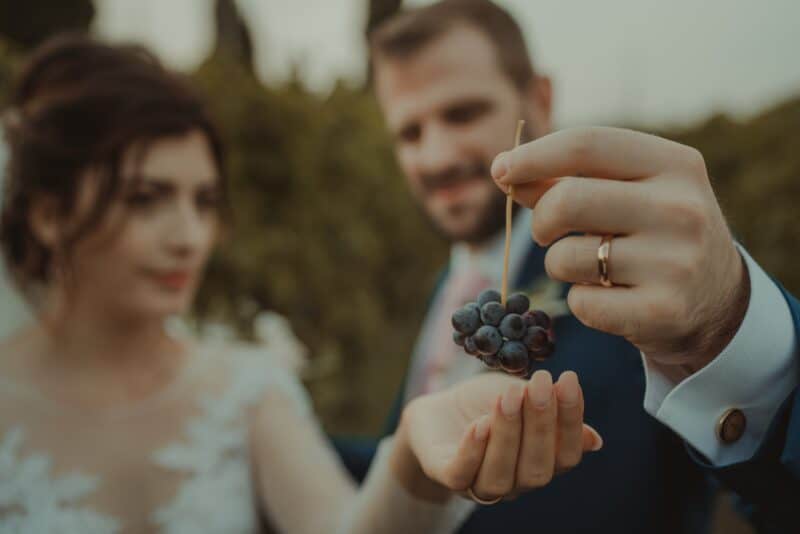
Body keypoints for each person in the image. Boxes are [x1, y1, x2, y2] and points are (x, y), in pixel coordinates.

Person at [0, 35, 602, 533]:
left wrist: (412, 452)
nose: (189, 236)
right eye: (145, 198)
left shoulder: (245, 391)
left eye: (204, 200)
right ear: (49, 214)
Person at [336, 1, 798, 532]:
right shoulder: (449, 288)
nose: (436, 155)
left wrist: (732, 321)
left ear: (539, 99)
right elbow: (402, 465)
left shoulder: (648, 268)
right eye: (409, 133)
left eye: (463, 113)